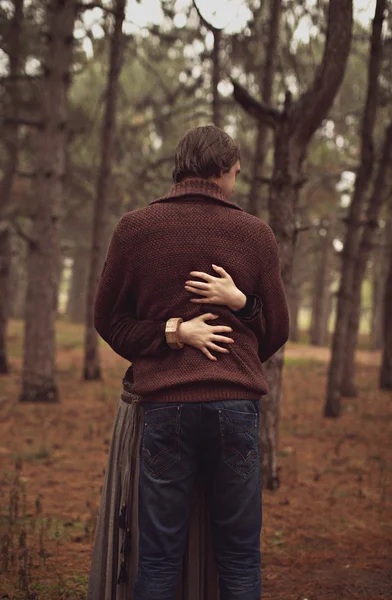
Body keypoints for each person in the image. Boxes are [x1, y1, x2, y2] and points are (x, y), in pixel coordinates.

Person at [91, 125, 289, 600]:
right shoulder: (255, 234)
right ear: (221, 170)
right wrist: (222, 342)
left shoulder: (134, 228)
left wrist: (170, 335)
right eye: (237, 173)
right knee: (240, 560)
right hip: (236, 410)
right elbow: (277, 332)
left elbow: (108, 321)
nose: (237, 183)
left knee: (158, 559)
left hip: (166, 411)